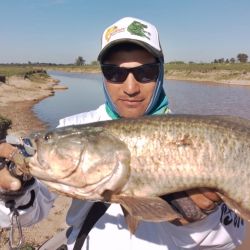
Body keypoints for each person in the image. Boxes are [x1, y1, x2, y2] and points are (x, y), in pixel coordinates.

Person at [0, 17, 245, 249]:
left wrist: (199, 221)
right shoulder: (71, 127)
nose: (130, 88)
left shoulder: (196, 139)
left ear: (160, 73)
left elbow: (232, 238)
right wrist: (15, 190)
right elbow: (26, 216)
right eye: (115, 73)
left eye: (145, 72)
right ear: (103, 76)